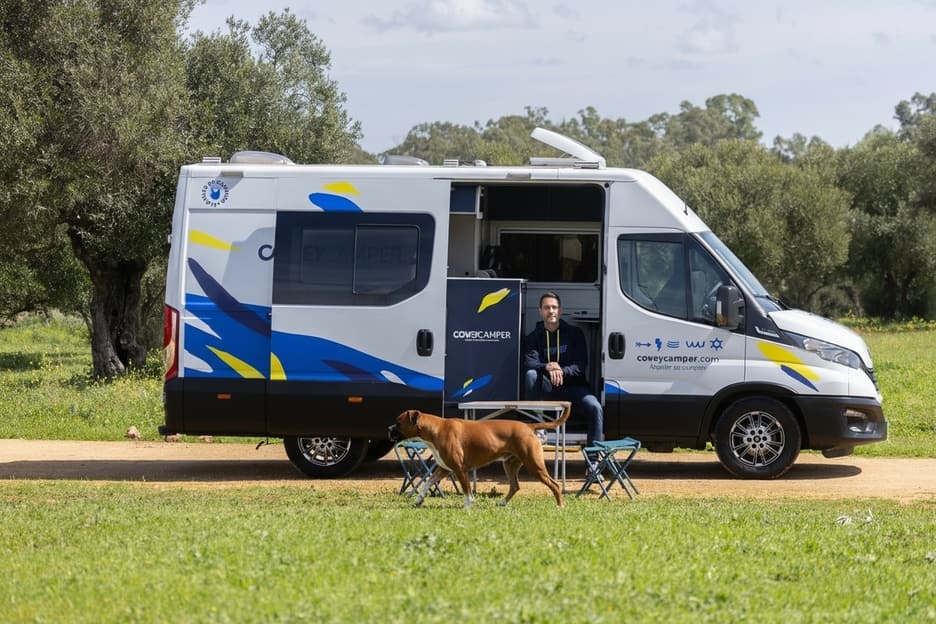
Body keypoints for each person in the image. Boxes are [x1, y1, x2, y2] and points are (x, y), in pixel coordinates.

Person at [523, 292, 604, 447]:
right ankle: (538, 429)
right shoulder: (534, 337)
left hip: (573, 387)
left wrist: (561, 370)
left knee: (595, 407)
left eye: (554, 307)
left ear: (560, 311)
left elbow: (581, 366)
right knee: (531, 375)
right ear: (540, 311)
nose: (551, 311)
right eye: (547, 307)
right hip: (548, 389)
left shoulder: (575, 333)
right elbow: (529, 363)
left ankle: (594, 462)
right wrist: (547, 366)